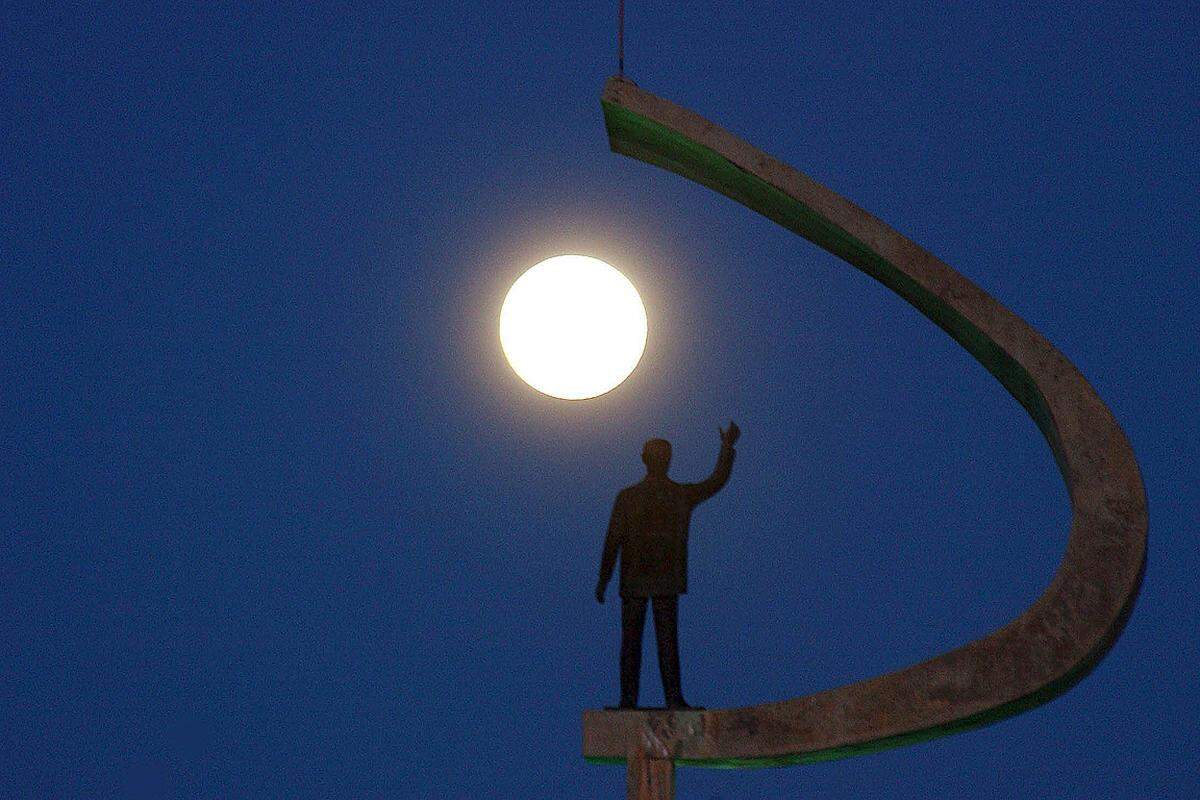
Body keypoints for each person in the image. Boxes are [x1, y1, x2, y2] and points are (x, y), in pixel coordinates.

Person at [595, 421, 740, 709]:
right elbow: (715, 481)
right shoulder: (677, 495)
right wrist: (726, 448)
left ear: (644, 459)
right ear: (665, 461)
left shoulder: (630, 497)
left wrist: (604, 579)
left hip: (640, 579)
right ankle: (669, 699)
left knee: (634, 644)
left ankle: (631, 701)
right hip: (660, 580)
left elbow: (612, 541)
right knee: (664, 642)